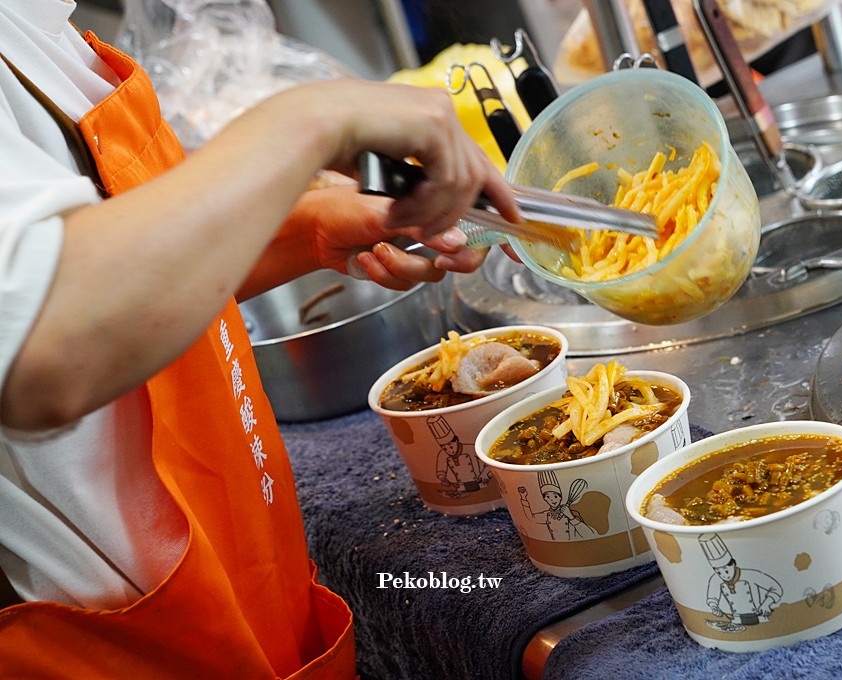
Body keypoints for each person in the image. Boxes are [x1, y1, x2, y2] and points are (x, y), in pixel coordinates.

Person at [0, 0, 520, 677]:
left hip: (245, 597)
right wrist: (311, 119)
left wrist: (301, 229)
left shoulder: (33, 28)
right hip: (123, 650)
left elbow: (121, 271)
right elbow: (41, 340)